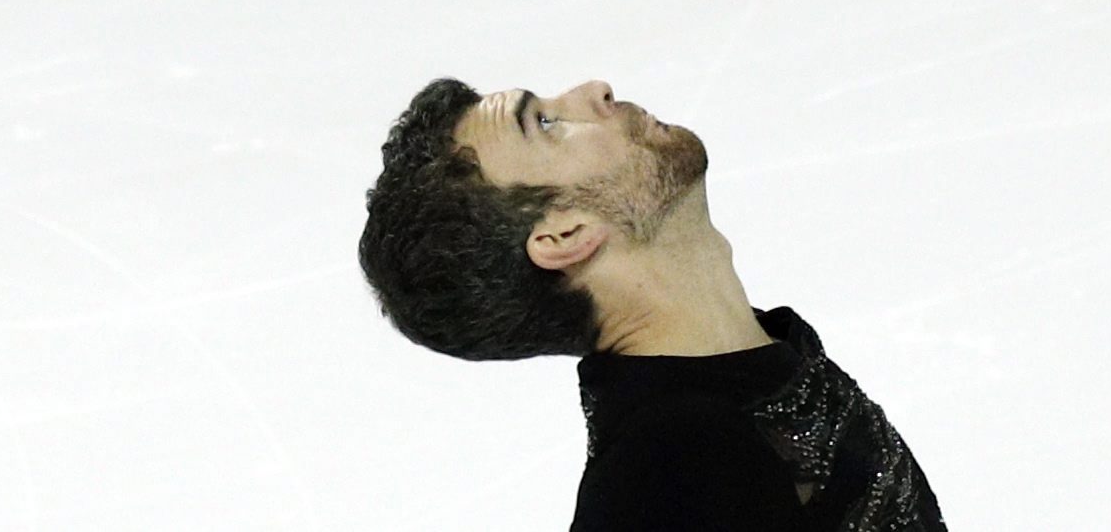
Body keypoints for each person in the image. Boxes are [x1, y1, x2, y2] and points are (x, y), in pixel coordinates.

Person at [360, 77, 948, 530]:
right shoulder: (667, 473)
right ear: (564, 235)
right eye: (544, 122)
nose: (595, 90)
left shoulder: (755, 365)